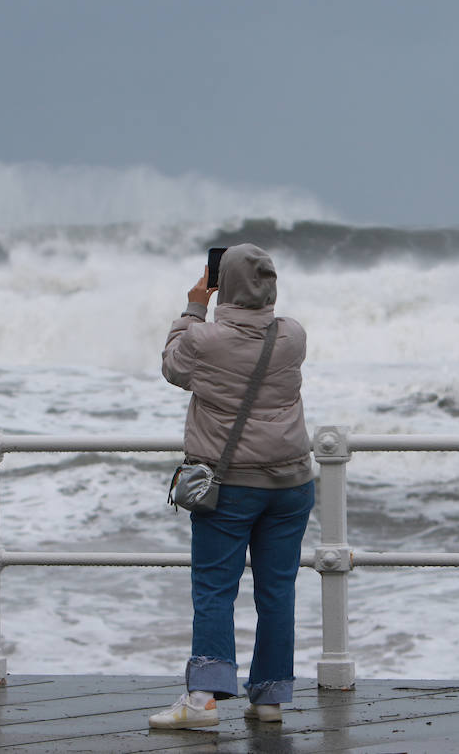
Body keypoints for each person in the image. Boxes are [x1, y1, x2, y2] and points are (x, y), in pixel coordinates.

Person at [149, 243, 315, 729]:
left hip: (231, 485)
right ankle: (269, 698)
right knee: (278, 591)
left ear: (227, 283)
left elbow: (172, 366)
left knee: (215, 589)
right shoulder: (293, 336)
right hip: (291, 483)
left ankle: (202, 701)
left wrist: (193, 306)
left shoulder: (205, 339)